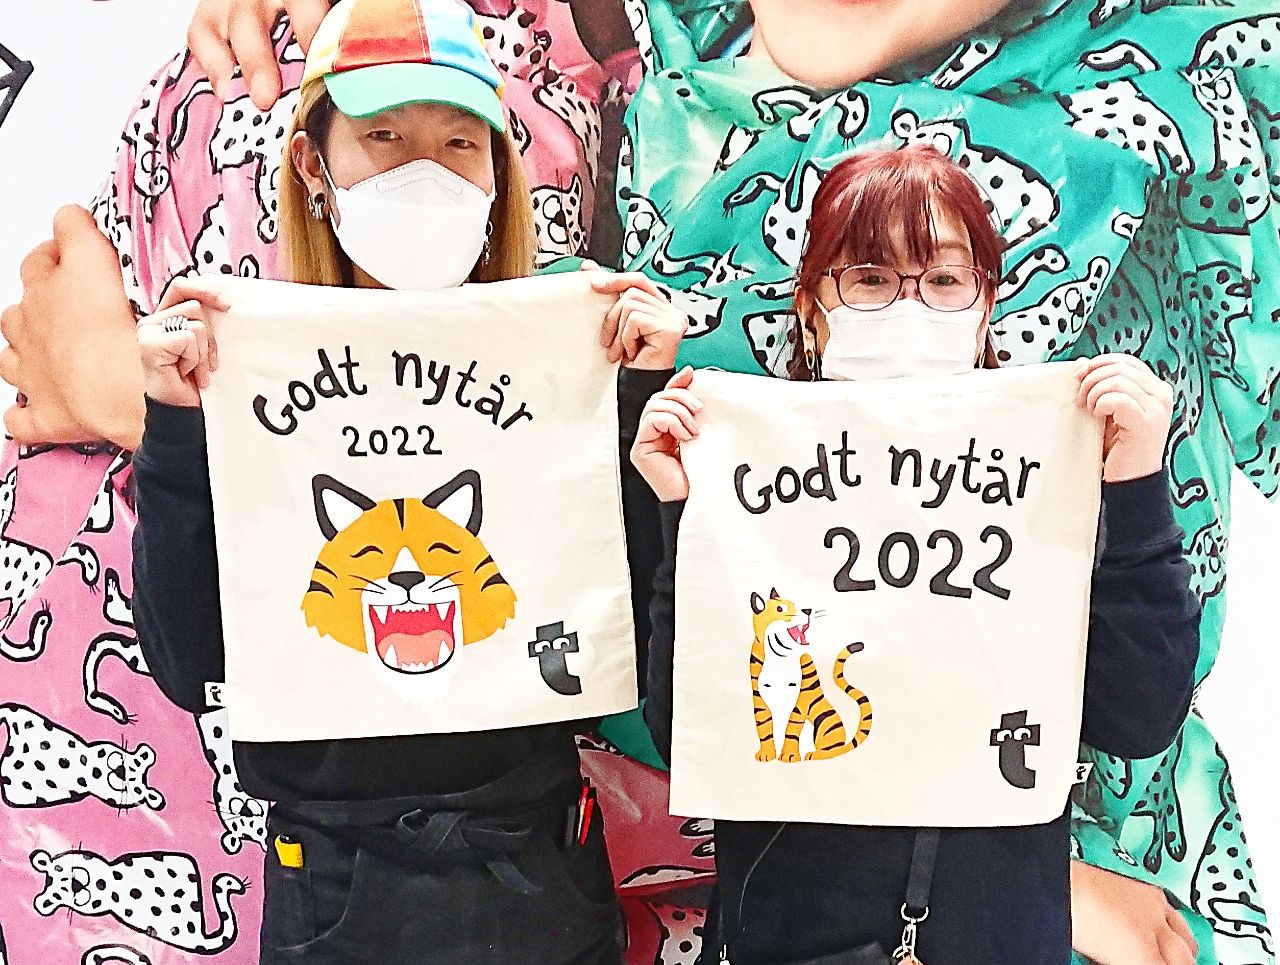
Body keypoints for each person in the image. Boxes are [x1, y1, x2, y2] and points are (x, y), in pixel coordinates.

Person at [130, 1, 683, 962]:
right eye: (383, 136)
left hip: (541, 868)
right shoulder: (237, 372)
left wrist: (635, 401)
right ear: (313, 165)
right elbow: (188, 660)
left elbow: (631, 639)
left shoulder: (568, 362)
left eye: (459, 142)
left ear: (498, 171)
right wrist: (175, 431)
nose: (424, 170)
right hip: (337, 887)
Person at [630, 146, 1202, 964]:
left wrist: (1137, 488)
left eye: (943, 280)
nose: (910, 305)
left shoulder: (1053, 473)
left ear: (985, 305)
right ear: (811, 310)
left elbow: (1139, 716)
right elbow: (685, 729)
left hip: (993, 937)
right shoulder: (748, 481)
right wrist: (681, 514)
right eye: (869, 278)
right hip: (791, 934)